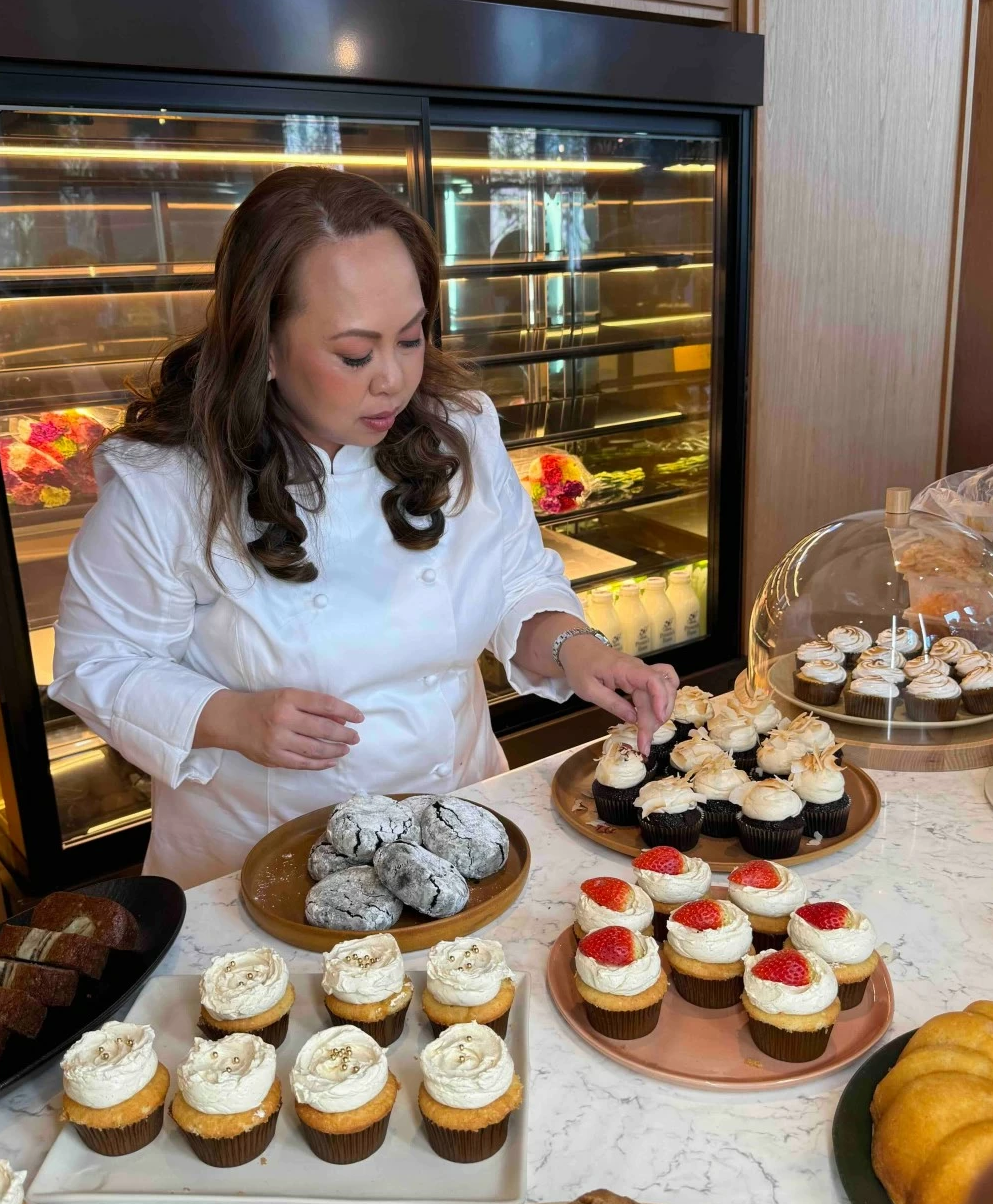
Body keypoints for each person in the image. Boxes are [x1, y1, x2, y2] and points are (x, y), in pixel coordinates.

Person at [51, 168, 678, 886]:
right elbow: (96, 663)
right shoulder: (168, 486)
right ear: (264, 345)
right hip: (270, 862)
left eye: (410, 339)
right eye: (355, 354)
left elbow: (512, 580)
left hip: (462, 821)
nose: (393, 380)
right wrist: (230, 717)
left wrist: (575, 648)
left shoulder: (459, 429)